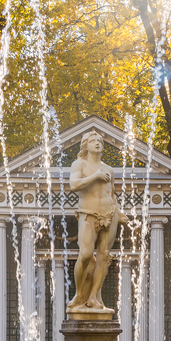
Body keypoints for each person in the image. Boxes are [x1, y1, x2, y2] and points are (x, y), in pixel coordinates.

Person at [67, 130, 128, 311]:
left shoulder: (109, 169)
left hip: (110, 214)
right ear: (86, 145)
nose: (97, 143)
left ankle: (94, 297)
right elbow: (74, 185)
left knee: (104, 257)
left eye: (100, 141)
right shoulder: (79, 164)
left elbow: (112, 193)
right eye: (93, 140)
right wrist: (95, 176)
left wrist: (118, 211)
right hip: (88, 213)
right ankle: (79, 294)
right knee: (85, 254)